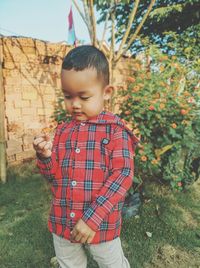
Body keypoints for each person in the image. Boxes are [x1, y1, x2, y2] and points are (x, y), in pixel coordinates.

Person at [33, 45, 140, 268]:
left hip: (101, 225)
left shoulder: (115, 131)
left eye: (84, 96)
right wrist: (45, 157)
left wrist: (92, 218)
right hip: (63, 221)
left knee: (112, 264)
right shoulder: (62, 132)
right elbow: (54, 176)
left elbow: (122, 175)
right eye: (68, 96)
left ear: (106, 93)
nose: (75, 104)